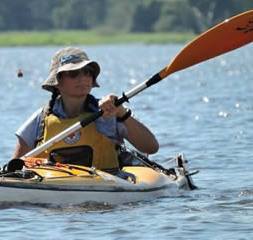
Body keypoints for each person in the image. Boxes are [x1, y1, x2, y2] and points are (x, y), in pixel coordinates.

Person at [10, 47, 159, 175]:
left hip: (106, 193)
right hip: (56, 193)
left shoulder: (108, 111)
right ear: (57, 83)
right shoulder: (40, 120)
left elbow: (151, 147)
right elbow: (13, 168)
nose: (83, 78)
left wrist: (122, 113)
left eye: (87, 72)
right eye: (74, 74)